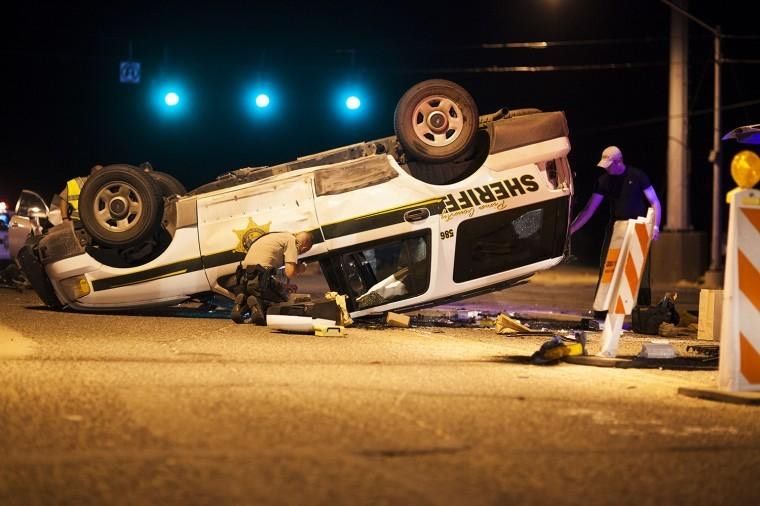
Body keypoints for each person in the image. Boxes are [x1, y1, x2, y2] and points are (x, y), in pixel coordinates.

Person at [569, 146, 661, 314]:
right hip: (616, 226)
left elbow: (654, 202)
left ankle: (641, 311)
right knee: (607, 266)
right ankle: (601, 309)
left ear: (619, 162)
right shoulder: (604, 181)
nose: (606, 168)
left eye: (608, 165)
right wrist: (572, 229)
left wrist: (655, 226)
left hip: (638, 227)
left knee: (640, 271)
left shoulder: (637, 176)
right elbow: (589, 209)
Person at [231, 230, 314, 324]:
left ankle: (240, 305)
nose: (302, 252)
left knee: (254, 293)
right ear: (305, 245)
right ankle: (260, 307)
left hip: (243, 278)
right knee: (283, 299)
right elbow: (290, 272)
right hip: (259, 280)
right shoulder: (292, 241)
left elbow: (270, 269)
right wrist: (301, 268)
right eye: (305, 250)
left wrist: (284, 285)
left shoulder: (276, 236)